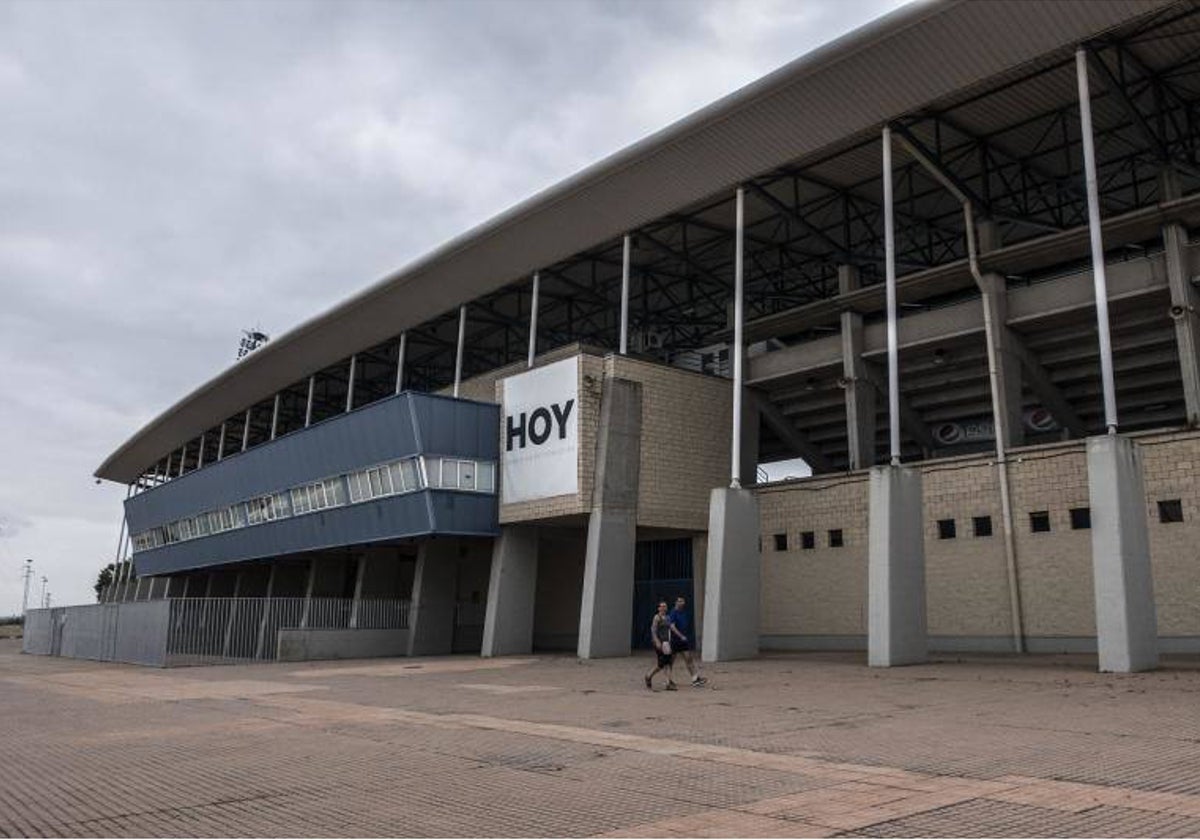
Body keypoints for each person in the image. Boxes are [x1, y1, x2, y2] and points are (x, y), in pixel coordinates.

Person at [668, 595, 706, 687]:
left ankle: (695, 679)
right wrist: (680, 636)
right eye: (680, 601)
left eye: (683, 601)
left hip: (683, 641)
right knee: (670, 661)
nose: (682, 603)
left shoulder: (684, 613)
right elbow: (672, 627)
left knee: (689, 658)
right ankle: (668, 679)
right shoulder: (673, 613)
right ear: (676, 603)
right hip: (675, 641)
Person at [644, 600, 677, 691]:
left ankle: (667, 682)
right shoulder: (657, 617)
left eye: (665, 606)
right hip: (660, 643)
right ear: (658, 608)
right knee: (663, 663)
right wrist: (657, 641)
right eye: (661, 606)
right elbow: (653, 630)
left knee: (667, 663)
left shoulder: (667, 617)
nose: (663, 608)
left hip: (667, 643)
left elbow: (670, 629)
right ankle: (650, 676)